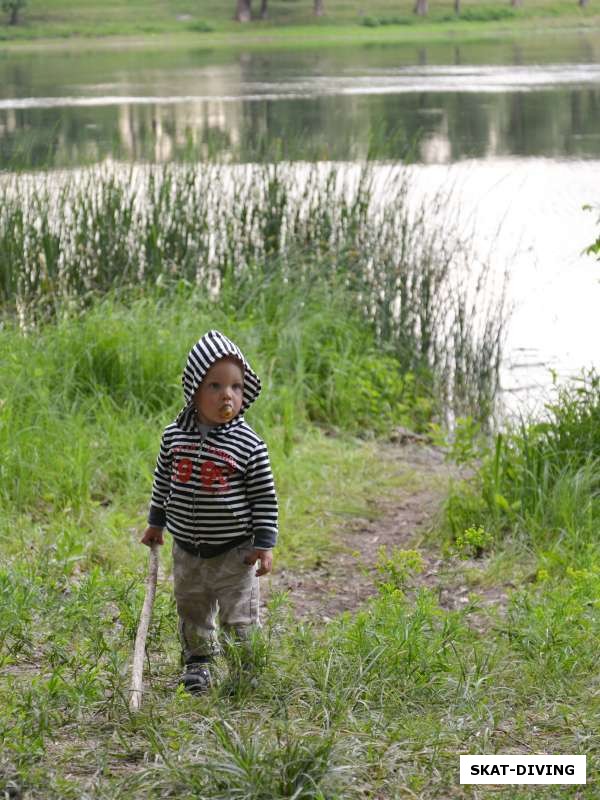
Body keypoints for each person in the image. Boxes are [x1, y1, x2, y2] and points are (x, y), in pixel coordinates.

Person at [141, 330, 278, 694]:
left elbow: (265, 498)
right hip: (187, 550)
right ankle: (198, 665)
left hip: (235, 552)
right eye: (215, 386)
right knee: (192, 610)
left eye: (235, 386)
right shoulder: (174, 437)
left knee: (239, 616)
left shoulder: (249, 444)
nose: (227, 395)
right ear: (194, 391)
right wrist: (156, 522)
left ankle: (247, 669)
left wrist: (264, 545)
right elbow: (163, 482)